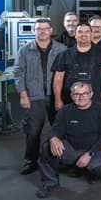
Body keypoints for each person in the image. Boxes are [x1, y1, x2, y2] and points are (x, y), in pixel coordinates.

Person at [36, 82, 101, 198]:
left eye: (85, 93)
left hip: (94, 151)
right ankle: (49, 183)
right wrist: (53, 138)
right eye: (77, 94)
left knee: (98, 168)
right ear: (71, 96)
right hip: (72, 150)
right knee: (47, 147)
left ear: (91, 94)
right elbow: (55, 129)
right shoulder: (65, 111)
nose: (81, 97)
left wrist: (90, 153)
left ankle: (92, 174)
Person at [14, 18, 67, 175]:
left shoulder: (62, 49)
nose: (42, 31)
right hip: (34, 96)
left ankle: (62, 160)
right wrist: (23, 94)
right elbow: (18, 72)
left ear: (51, 30)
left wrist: (63, 96)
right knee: (33, 131)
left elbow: (67, 73)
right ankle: (31, 161)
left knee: (60, 129)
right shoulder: (25, 50)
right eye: (38, 29)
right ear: (34, 31)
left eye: (45, 28)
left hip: (56, 95)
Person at [52, 23, 101, 109]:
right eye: (80, 32)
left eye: (87, 32)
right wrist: (57, 99)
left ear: (91, 34)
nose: (84, 35)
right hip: (69, 100)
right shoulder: (64, 55)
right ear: (75, 35)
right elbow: (58, 78)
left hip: (96, 100)